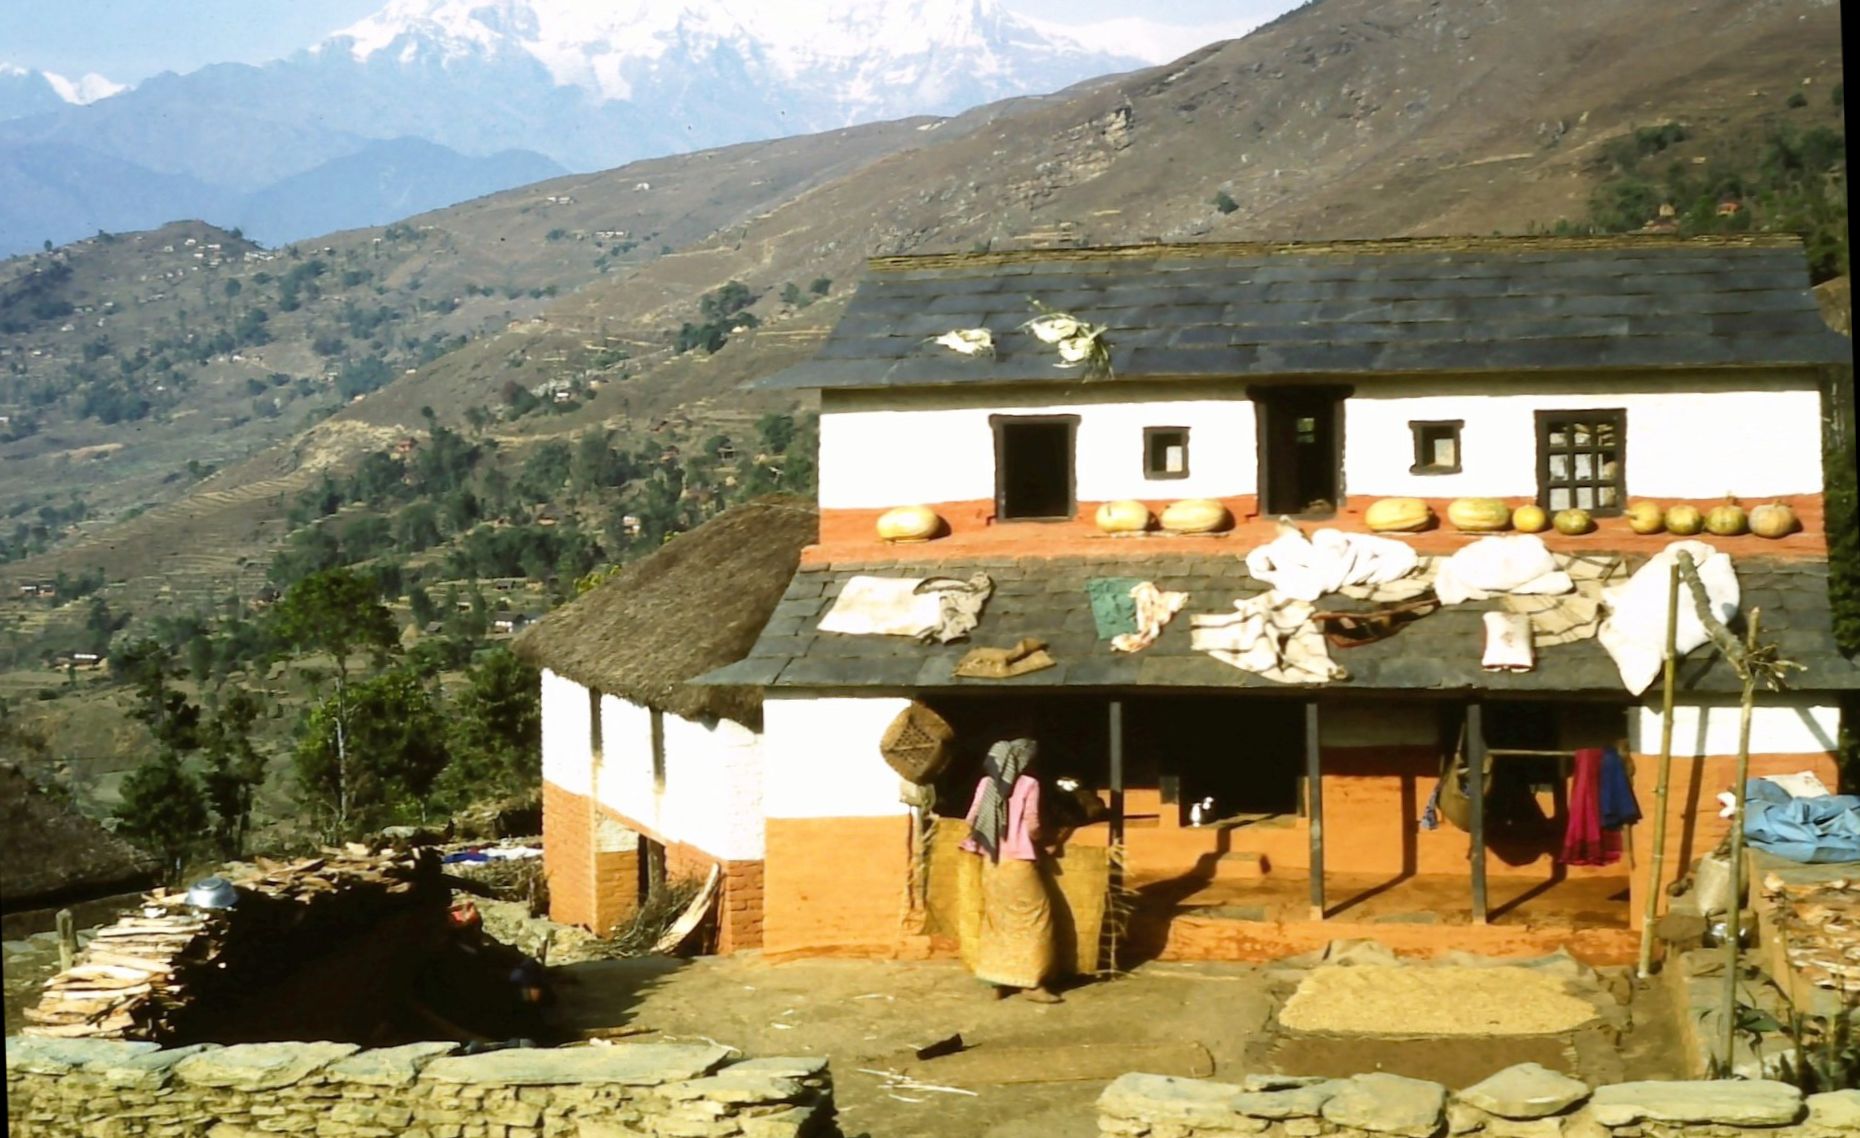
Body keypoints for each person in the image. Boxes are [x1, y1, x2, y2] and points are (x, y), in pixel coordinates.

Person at [957, 737, 1062, 1002]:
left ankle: (998, 981)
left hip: (990, 862)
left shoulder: (986, 784)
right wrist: (1048, 840)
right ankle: (1031, 983)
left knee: (998, 919)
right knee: (1035, 917)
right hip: (1017, 862)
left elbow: (971, 818)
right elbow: (1032, 824)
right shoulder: (1029, 784)